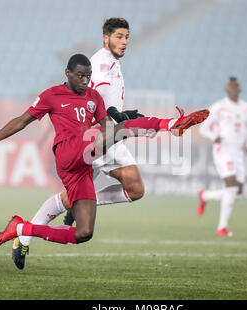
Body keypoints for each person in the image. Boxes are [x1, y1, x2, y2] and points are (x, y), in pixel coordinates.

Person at [0, 53, 210, 252]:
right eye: (80, 76)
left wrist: (125, 131)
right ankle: (171, 125)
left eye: (88, 76)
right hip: (67, 151)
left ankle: (21, 229)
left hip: (81, 166)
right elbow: (20, 121)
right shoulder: (51, 95)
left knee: (84, 233)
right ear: (68, 73)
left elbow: (106, 129)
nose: (85, 80)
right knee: (118, 130)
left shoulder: (93, 97)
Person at [11, 17, 149, 270]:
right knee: (136, 188)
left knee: (69, 198)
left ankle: (25, 235)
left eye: (127, 37)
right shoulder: (97, 65)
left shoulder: (112, 64)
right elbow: (83, 98)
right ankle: (38, 226)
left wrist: (124, 118)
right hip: (97, 139)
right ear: (105, 37)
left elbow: (106, 106)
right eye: (119, 36)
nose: (124, 42)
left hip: (106, 136)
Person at [197, 77, 247, 237]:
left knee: (238, 191)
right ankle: (222, 227)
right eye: (230, 87)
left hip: (238, 152)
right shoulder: (219, 107)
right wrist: (213, 136)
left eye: (236, 87)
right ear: (227, 90)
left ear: (239, 90)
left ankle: (205, 195)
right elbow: (203, 128)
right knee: (231, 185)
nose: (233, 90)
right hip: (223, 150)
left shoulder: (246, 108)